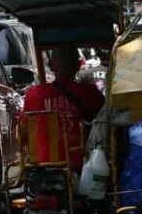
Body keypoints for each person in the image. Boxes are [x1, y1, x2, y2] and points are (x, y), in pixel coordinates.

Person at [22, 44, 105, 172]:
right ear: (78, 65)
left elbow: (23, 133)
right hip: (81, 165)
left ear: (51, 66)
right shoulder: (90, 93)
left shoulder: (33, 94)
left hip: (41, 164)